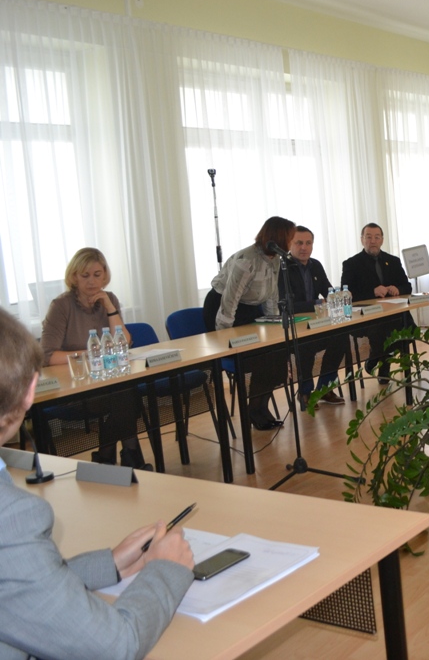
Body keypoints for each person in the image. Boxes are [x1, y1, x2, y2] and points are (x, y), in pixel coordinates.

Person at [0, 309, 195, 660]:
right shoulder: (11, 516)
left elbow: (14, 584)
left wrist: (108, 565)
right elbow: (115, 646)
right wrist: (166, 570)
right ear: (30, 391)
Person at [40, 248, 150, 469]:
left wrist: (110, 308)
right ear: (74, 277)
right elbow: (48, 356)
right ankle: (128, 457)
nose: (91, 281)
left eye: (97, 275)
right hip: (74, 385)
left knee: (125, 393)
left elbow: (125, 342)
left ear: (105, 275)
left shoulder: (110, 299)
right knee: (126, 397)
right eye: (85, 275)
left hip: (106, 380)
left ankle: (107, 458)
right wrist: (92, 354)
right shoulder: (61, 305)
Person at [204, 216, 295, 430]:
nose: (292, 242)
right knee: (261, 357)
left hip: (249, 308)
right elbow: (230, 299)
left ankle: (259, 407)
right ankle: (254, 410)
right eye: (291, 238)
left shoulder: (275, 258)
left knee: (276, 352)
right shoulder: (246, 260)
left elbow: (272, 295)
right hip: (223, 309)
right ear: (280, 237)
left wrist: (273, 327)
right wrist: (224, 337)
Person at [280, 226, 345, 408]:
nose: (304, 247)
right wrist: (317, 303)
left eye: (308, 243)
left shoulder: (315, 265)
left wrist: (341, 296)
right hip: (294, 330)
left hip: (317, 325)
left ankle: (324, 388)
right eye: (299, 243)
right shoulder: (283, 267)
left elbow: (329, 292)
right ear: (289, 244)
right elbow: (286, 305)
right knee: (305, 345)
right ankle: (305, 392)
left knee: (341, 338)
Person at [340, 223, 412, 384]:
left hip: (392, 313)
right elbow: (347, 294)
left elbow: (407, 286)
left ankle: (375, 359)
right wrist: (372, 292)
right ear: (362, 239)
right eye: (368, 237)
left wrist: (398, 289)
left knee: (407, 326)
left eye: (377, 237)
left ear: (382, 240)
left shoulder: (393, 261)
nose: (373, 241)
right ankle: (383, 363)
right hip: (367, 316)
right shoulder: (351, 263)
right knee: (383, 329)